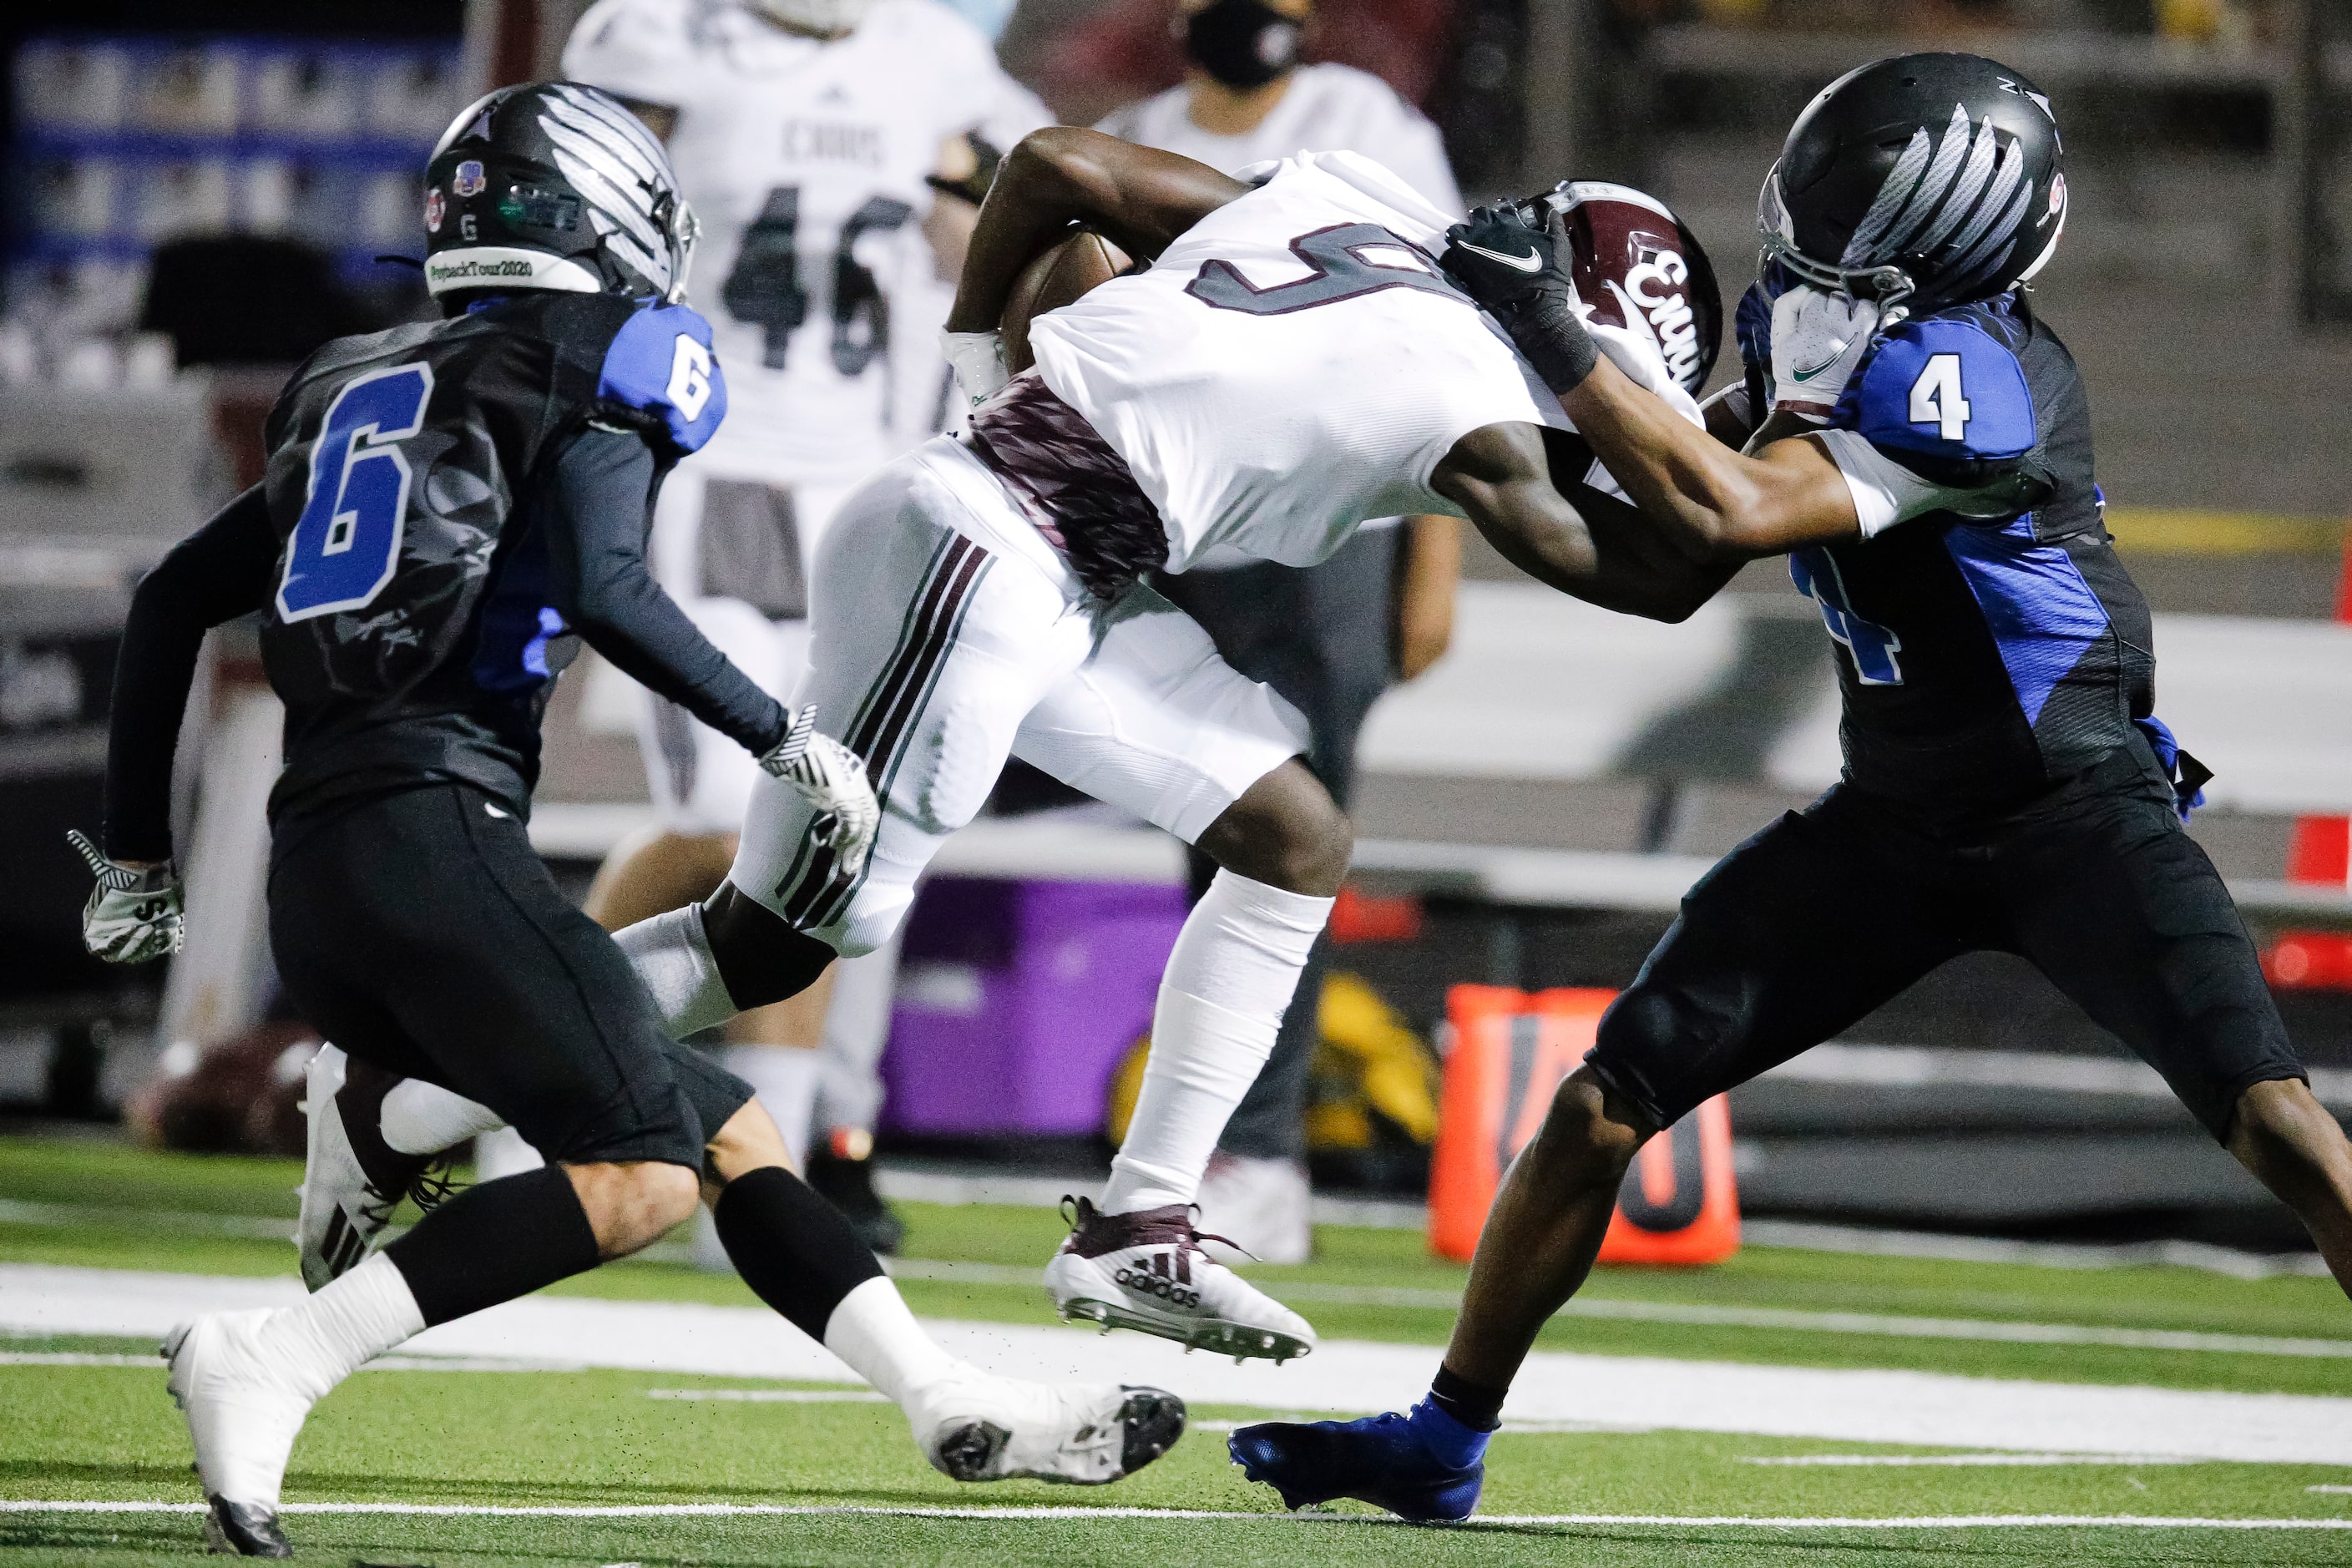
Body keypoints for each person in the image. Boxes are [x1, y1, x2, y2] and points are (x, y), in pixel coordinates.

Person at [1227, 52, 2352, 1522]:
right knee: (1598, 1107)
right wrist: (1481, 452)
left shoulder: (1980, 375)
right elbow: (1673, 570)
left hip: (2074, 815)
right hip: (1889, 820)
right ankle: (1442, 1439)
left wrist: (1552, 329)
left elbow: (1735, 505)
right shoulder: (1819, 323)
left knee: (2274, 1118)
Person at [69, 83, 1181, 1557]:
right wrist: (782, 735)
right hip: (438, 840)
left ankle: (944, 1398)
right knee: (636, 1173)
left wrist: (140, 859)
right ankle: (281, 1347)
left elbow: (164, 605)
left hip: (327, 867)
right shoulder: (603, 352)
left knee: (729, 1132)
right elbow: (604, 583)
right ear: (600, 210)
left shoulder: (349, 375)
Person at [601, 121, 1718, 1363]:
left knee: (1292, 833)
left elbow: (1056, 167)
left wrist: (977, 351)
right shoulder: (1483, 412)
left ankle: (1140, 1219)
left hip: (1058, 563)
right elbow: (1661, 577)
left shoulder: (1363, 204)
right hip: (982, 549)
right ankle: (426, 1070)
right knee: (776, 944)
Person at [549, 0, 1052, 1245]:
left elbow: (1040, 196)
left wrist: (969, 206)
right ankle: (519, 1050)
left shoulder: (929, 58)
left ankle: (760, 1182)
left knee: (821, 821)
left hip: (857, 480)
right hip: (697, 464)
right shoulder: (662, 37)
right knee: (716, 821)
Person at [1095, 0, 1468, 1263]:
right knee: (1212, 840)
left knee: (1286, 848)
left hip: (1328, 539)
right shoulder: (1131, 132)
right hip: (1187, 528)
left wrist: (1437, 553)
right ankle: (1211, 1147)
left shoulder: (1360, 123)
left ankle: (1255, 1152)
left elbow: (1447, 330)